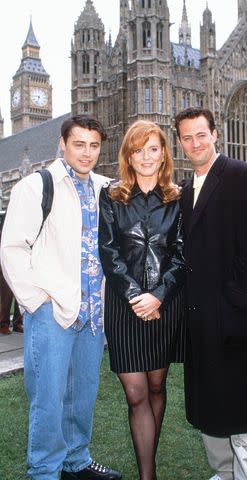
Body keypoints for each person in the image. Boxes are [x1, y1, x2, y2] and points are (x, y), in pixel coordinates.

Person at [0, 115, 121, 480]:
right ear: (63, 144)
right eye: (79, 144)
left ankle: (76, 461)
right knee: (49, 399)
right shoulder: (37, 185)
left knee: (82, 395)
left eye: (94, 145)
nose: (87, 153)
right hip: (52, 310)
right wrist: (36, 301)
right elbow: (12, 249)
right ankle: (44, 471)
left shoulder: (106, 188)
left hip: (92, 312)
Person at [175, 107, 247, 480]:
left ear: (215, 135)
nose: (195, 143)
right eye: (187, 137)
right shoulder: (186, 189)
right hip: (202, 320)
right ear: (180, 142)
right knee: (212, 407)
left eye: (201, 135)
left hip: (239, 316)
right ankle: (223, 473)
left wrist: (237, 300)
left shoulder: (241, 175)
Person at [98, 120, 186, 480]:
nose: (146, 157)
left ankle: (151, 454)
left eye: (153, 148)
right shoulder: (112, 196)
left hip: (165, 304)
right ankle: (147, 476)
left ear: (164, 153)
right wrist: (137, 296)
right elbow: (109, 252)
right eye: (138, 150)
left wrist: (159, 296)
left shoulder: (178, 198)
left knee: (156, 386)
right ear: (128, 156)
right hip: (124, 306)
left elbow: (182, 254)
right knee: (136, 395)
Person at [0, 211, 23, 334]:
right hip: (6, 263)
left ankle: (17, 323)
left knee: (21, 293)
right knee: (6, 294)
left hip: (21, 262)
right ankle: (3, 323)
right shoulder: (6, 219)